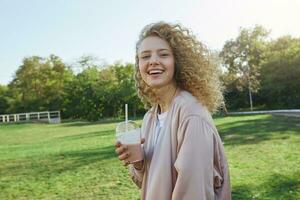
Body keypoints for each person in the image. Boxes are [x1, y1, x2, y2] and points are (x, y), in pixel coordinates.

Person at [115, 22, 231, 200]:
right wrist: (138, 163)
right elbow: (147, 184)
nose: (153, 61)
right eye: (145, 56)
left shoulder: (191, 115)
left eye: (163, 54)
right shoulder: (150, 118)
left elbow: (193, 193)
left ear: (178, 61)